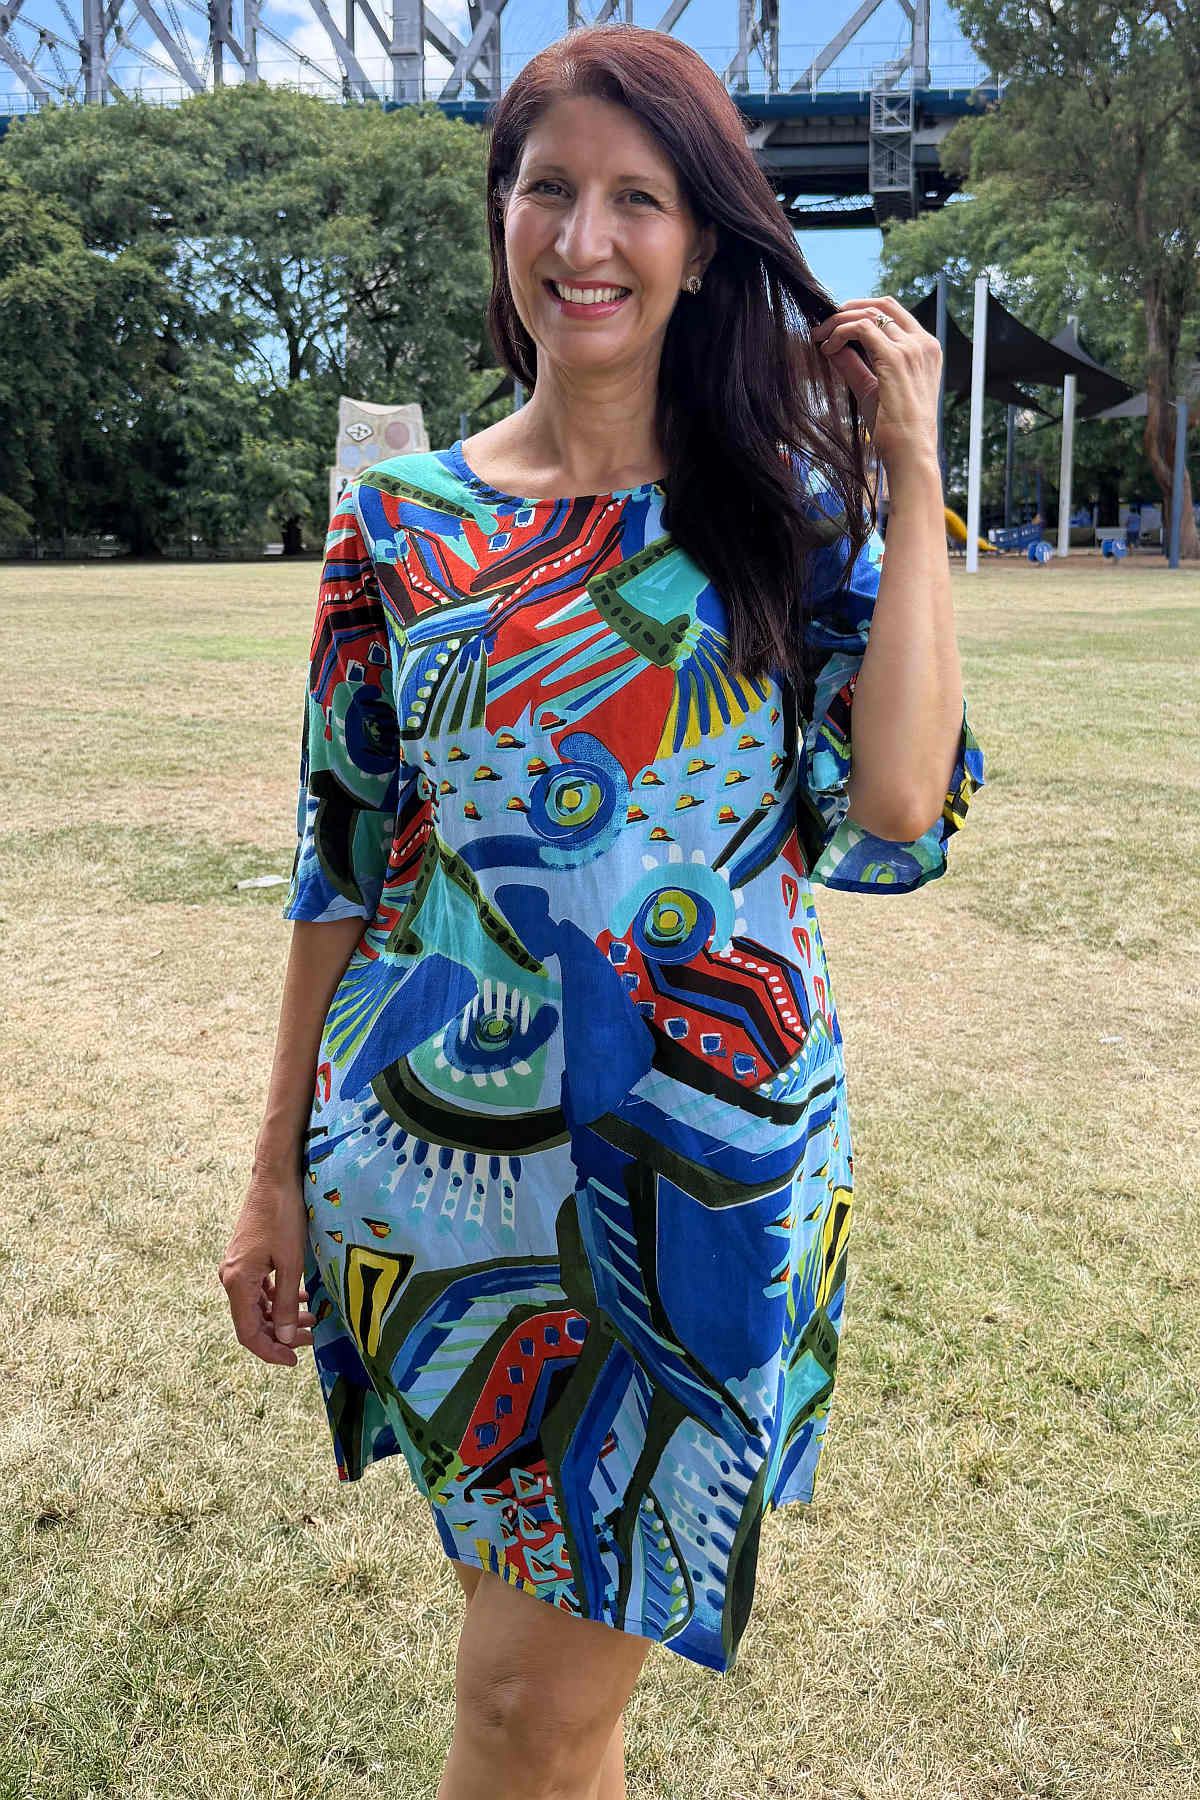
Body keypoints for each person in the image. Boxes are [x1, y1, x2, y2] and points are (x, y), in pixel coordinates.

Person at [218, 23, 983, 1800]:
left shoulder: (787, 518)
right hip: (430, 1181)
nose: (585, 239)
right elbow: (343, 858)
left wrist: (914, 474)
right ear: (499, 214)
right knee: (556, 1710)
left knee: (523, 1709)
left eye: (638, 199)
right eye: (548, 189)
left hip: (696, 1178)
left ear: (703, 243)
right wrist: (270, 1174)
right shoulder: (399, 528)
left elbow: (895, 805)